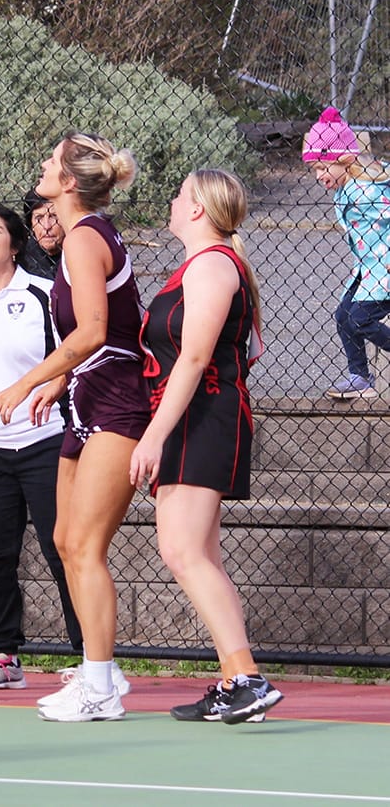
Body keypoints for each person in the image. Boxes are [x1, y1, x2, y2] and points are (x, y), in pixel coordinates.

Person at [0, 131, 149, 722]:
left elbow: (94, 332)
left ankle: (102, 685)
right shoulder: (82, 237)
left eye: (51, 160)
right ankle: (96, 673)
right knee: (64, 541)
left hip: (117, 404)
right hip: (85, 402)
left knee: (85, 547)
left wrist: (26, 381)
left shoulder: (84, 238)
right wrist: (59, 383)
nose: (41, 164)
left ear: (71, 181)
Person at [130, 169, 283, 724]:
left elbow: (195, 358)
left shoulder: (215, 265)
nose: (171, 201)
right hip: (189, 417)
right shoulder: (199, 266)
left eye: (179, 194)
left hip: (204, 418)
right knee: (202, 555)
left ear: (197, 209)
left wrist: (153, 436)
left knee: (182, 551)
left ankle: (246, 677)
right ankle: (233, 680)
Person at [0, 202, 82, 690]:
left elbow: (80, 351)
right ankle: (3, 656)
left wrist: (60, 383)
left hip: (46, 440)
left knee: (64, 549)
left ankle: (89, 655)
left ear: (14, 243)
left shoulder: (43, 294)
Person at [301, 107, 390, 399]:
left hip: (385, 268)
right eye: (314, 169)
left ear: (345, 160)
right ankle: (359, 377)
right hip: (369, 269)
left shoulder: (365, 190)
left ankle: (361, 377)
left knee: (360, 318)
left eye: (323, 167)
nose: (318, 175)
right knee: (343, 316)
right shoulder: (348, 188)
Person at [20, 188, 66, 278]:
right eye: (39, 218)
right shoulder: (19, 260)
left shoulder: (81, 254)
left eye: (54, 216)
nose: (47, 226)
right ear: (31, 224)